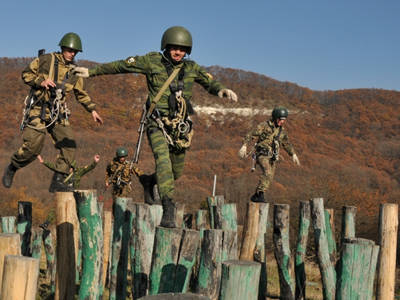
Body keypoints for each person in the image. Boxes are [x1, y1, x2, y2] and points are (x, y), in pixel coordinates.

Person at [73, 26, 238, 227]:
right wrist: (92, 72)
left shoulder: (191, 68)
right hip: (156, 123)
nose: (178, 52)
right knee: (163, 162)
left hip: (180, 128)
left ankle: (150, 181)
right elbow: (122, 66)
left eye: (182, 49)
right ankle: (168, 207)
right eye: (174, 48)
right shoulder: (152, 61)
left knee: (175, 173)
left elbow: (208, 81)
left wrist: (221, 90)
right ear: (166, 47)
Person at [2, 32, 103, 192]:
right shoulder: (46, 60)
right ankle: (13, 166)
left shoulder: (74, 71)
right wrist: (40, 81)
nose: (72, 54)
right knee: (33, 148)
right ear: (63, 48)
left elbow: (81, 93)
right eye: (70, 50)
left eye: (75, 52)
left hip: (58, 112)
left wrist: (92, 110)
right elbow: (26, 74)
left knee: (69, 145)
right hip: (38, 108)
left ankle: (58, 179)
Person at [239, 107, 300, 202]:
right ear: (275, 118)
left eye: (284, 120)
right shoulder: (264, 126)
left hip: (273, 156)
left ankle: (256, 195)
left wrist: (293, 154)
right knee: (267, 173)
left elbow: (286, 143)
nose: (282, 122)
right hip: (262, 154)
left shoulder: (281, 131)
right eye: (280, 119)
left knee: (270, 177)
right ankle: (260, 194)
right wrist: (244, 145)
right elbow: (251, 134)